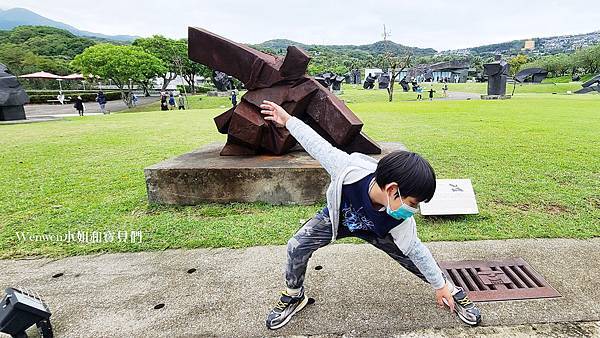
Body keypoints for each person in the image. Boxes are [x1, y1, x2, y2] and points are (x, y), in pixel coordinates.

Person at [259, 100, 482, 330]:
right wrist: (287, 120)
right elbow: (317, 144)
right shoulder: (347, 168)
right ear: (392, 189)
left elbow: (418, 251)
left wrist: (439, 285)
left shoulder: (400, 218)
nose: (412, 210)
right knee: (297, 244)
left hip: (378, 230)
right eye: (412, 203)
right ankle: (295, 296)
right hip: (342, 218)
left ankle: (451, 290)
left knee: (413, 258)